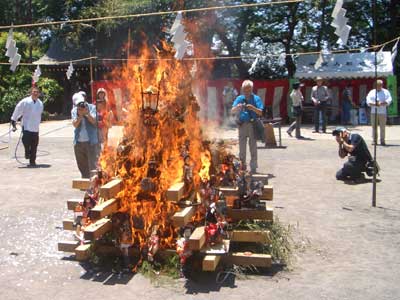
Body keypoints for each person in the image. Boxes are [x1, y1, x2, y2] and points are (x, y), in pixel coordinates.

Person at [231, 80, 264, 174]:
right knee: (242, 148)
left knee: (253, 147)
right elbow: (232, 111)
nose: (246, 92)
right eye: (245, 89)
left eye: (248, 89)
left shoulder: (256, 98)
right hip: (242, 125)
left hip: (252, 124)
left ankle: (253, 167)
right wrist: (237, 107)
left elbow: (260, 112)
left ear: (252, 89)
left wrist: (252, 108)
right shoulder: (239, 98)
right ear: (242, 89)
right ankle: (242, 167)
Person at [10, 86, 44, 167]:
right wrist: (14, 120)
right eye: (34, 92)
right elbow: (18, 109)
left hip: (35, 127)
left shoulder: (40, 103)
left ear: (39, 94)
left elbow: (39, 115)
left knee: (34, 145)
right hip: (26, 126)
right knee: (26, 141)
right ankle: (26, 151)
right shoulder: (25, 101)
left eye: (37, 92)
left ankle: (32, 161)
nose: (35, 93)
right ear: (31, 93)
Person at [71, 92, 99, 178]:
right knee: (82, 165)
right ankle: (85, 182)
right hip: (78, 142)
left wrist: (87, 114)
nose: (81, 106)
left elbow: (94, 122)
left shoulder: (92, 107)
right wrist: (80, 116)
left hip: (91, 141)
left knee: (93, 165)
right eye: (78, 104)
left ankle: (94, 185)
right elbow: (75, 125)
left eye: (82, 103)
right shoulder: (74, 110)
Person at [366, 79, 392, 146]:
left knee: (382, 127)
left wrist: (382, 103)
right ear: (375, 85)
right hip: (374, 111)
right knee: (374, 127)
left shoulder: (386, 92)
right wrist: (374, 104)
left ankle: (382, 140)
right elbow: (368, 100)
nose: (379, 86)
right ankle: (374, 140)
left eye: (380, 85)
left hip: (382, 112)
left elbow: (389, 100)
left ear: (382, 85)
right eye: (378, 85)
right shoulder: (372, 92)